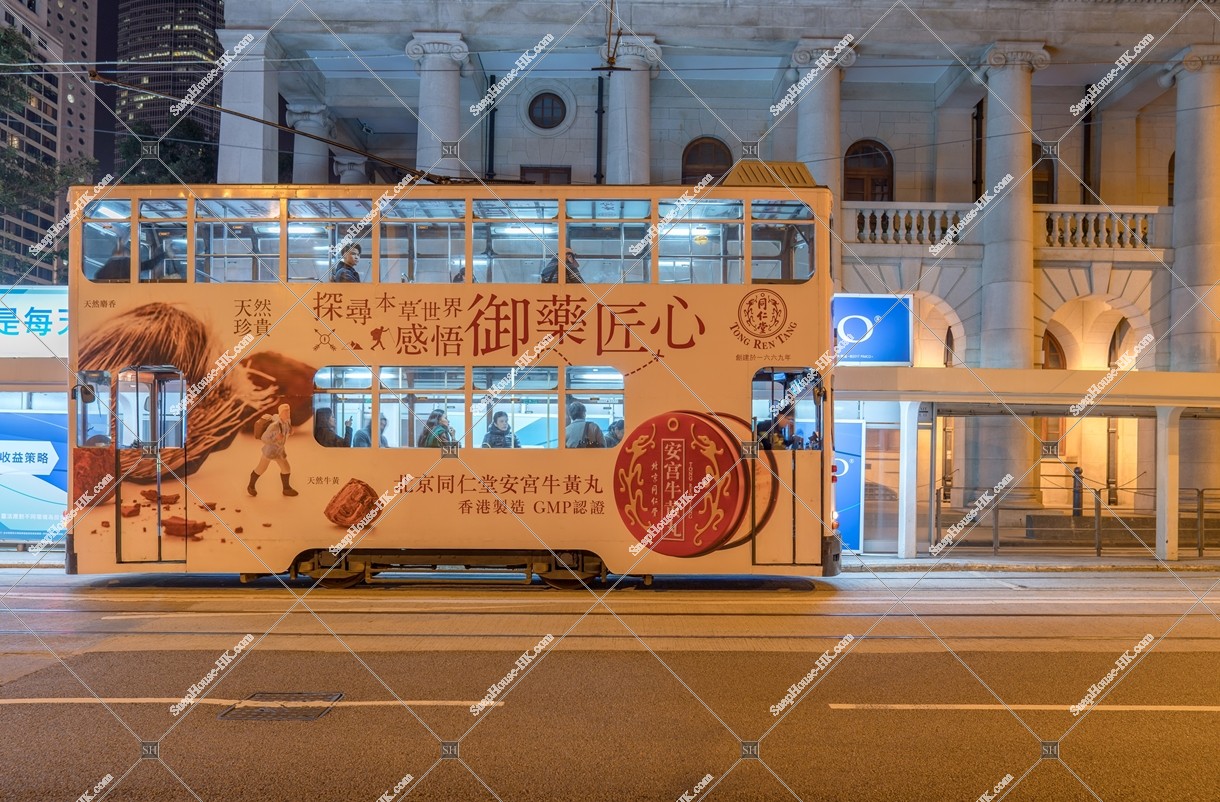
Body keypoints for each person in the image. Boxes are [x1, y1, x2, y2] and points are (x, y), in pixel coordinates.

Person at [248, 403, 298, 496]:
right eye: (286, 412)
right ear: (280, 413)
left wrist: (290, 431)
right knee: (261, 469)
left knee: (286, 468)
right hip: (270, 451)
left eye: (289, 412)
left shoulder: (287, 422)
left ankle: (286, 489)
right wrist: (275, 438)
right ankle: (251, 486)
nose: (288, 414)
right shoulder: (274, 426)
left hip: (279, 451)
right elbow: (264, 438)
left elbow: (286, 433)